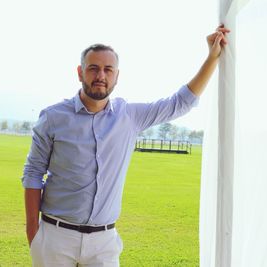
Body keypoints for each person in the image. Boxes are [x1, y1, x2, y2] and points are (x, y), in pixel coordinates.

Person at [22, 25, 230, 266]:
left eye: (108, 69)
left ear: (117, 76)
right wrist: (32, 231)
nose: (101, 75)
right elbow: (33, 173)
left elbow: (181, 102)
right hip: (56, 237)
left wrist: (212, 57)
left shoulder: (130, 116)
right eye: (93, 68)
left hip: (104, 242)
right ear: (80, 73)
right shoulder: (53, 118)